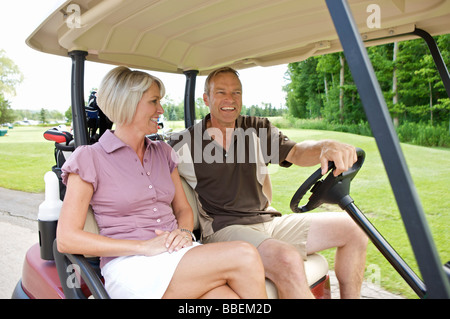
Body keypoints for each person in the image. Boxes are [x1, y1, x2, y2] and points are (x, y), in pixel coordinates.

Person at [56, 66, 268, 299]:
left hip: (175, 253)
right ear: (127, 104)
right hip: (131, 265)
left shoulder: (162, 153)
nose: (161, 109)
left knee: (227, 299)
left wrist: (185, 231)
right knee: (244, 255)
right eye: (154, 101)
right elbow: (67, 239)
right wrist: (143, 247)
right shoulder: (89, 157)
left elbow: (182, 209)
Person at [169, 67, 369, 299]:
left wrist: (324, 146)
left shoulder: (257, 128)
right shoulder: (184, 142)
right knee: (286, 258)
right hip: (224, 229)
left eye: (236, 93)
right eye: (221, 92)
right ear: (206, 98)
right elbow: (148, 165)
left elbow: (296, 152)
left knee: (355, 228)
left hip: (268, 221)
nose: (229, 99)